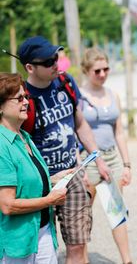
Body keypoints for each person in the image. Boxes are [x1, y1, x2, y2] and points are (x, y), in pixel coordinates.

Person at [17, 36, 110, 264]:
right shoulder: (21, 98)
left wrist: (97, 159)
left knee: (77, 244)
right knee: (41, 247)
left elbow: (80, 123)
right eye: (48, 62)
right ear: (30, 67)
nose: (55, 64)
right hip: (40, 183)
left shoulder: (65, 82)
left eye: (56, 57)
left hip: (72, 174)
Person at [0, 72, 69, 263]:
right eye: (19, 98)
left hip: (43, 230)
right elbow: (7, 205)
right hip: (17, 242)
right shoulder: (1, 145)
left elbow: (27, 182)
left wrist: (55, 178)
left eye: (27, 97)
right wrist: (49, 200)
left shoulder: (24, 136)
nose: (26, 102)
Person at [80, 47, 132, 264]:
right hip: (88, 160)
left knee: (116, 211)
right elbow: (76, 132)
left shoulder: (113, 95)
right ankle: (81, 259)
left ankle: (127, 260)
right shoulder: (79, 97)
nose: (102, 74)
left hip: (111, 158)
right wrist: (78, 166)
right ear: (86, 71)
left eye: (106, 69)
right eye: (97, 71)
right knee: (83, 214)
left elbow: (119, 132)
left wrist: (127, 164)